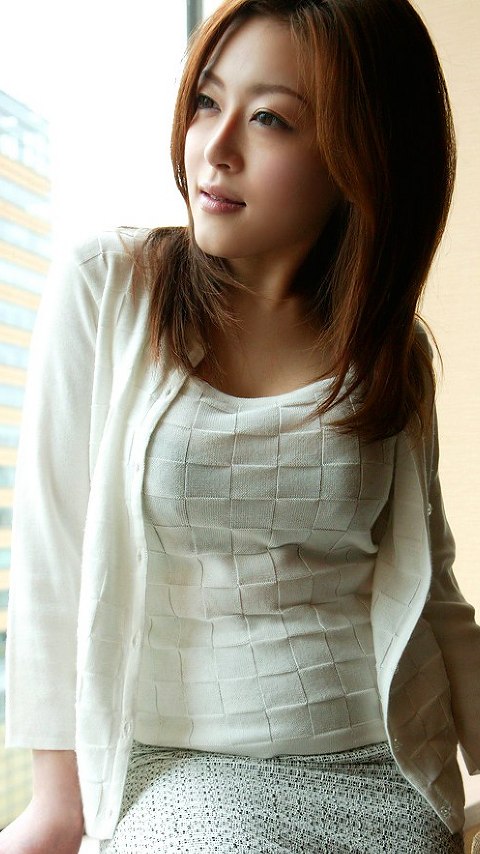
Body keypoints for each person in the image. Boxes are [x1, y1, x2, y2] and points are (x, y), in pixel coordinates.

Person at [1, 0, 479, 851]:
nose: (215, 148)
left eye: (270, 120)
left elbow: (432, 589)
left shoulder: (390, 351)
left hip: (382, 767)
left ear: (360, 156)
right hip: (180, 769)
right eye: (207, 101)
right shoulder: (109, 286)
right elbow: (52, 563)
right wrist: (55, 801)